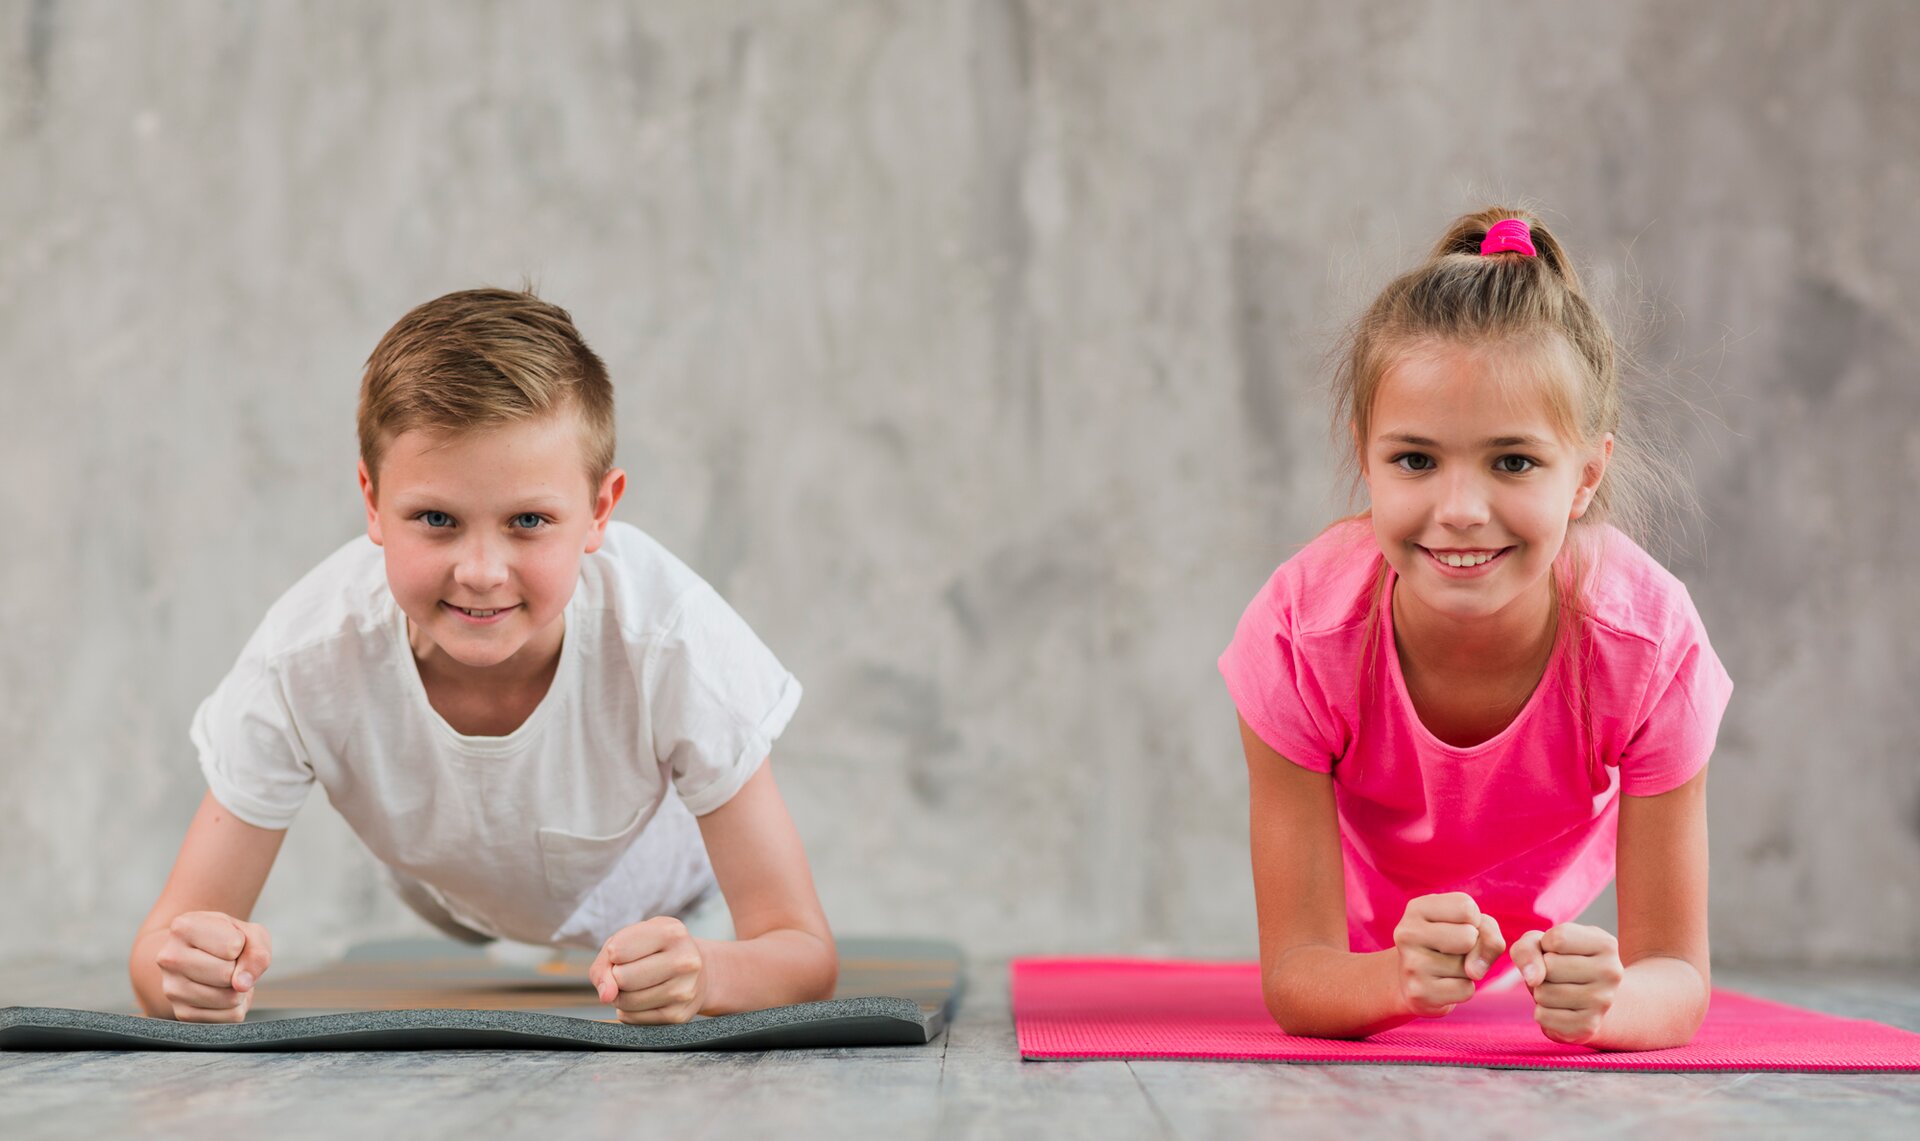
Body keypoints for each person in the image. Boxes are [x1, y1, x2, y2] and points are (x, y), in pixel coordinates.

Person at [129, 288, 836, 1024]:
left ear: (600, 511)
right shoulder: (302, 657)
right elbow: (156, 955)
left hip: (662, 894)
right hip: (452, 891)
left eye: (529, 520)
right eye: (436, 518)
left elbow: (805, 952)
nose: (480, 572)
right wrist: (196, 970)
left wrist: (709, 974)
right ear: (372, 501)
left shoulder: (671, 637)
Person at [1220, 209, 1730, 1049]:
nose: (1459, 510)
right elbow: (1298, 974)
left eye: (1513, 461)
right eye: (1416, 460)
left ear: (1586, 475)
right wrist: (1394, 978)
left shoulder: (1650, 648)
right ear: (1365, 455)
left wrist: (1612, 1003)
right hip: (1363, 932)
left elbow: (1676, 971)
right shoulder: (1298, 638)